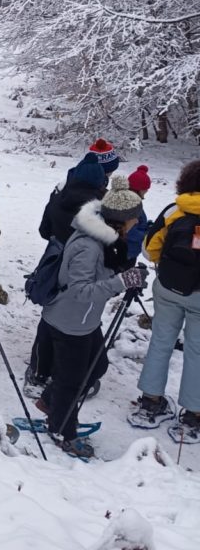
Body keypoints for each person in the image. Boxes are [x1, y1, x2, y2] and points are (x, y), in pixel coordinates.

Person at [37, 177, 145, 459]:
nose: (137, 223)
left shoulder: (103, 238)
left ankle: (51, 402)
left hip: (84, 321)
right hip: (69, 321)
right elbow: (81, 291)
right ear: (121, 220)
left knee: (96, 367)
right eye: (135, 218)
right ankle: (63, 431)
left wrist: (126, 277)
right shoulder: (89, 246)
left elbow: (99, 276)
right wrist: (122, 281)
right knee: (72, 381)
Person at [25, 153, 108, 397]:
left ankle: (39, 371)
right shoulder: (101, 208)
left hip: (54, 261)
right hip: (87, 264)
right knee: (81, 321)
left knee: (50, 314)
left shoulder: (58, 197)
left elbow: (43, 231)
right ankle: (74, 377)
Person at [128, 160, 200, 441]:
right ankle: (193, 415)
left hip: (168, 288)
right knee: (197, 351)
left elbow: (149, 250)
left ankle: (150, 401)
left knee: (160, 342)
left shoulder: (173, 211)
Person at [126, 165, 151, 263]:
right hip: (126, 252)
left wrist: (148, 226)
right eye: (145, 189)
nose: (147, 191)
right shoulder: (128, 205)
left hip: (131, 251)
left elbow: (139, 222)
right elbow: (128, 230)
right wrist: (146, 236)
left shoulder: (134, 202)